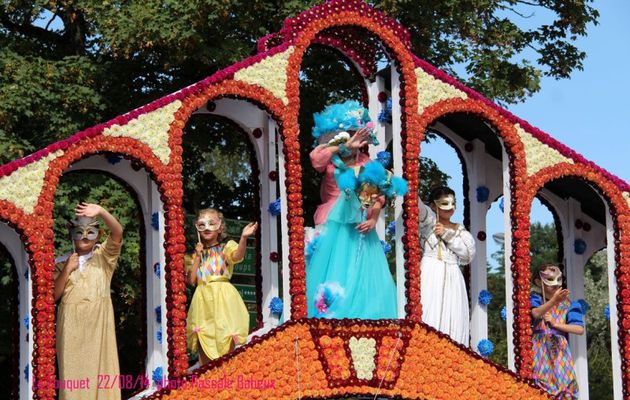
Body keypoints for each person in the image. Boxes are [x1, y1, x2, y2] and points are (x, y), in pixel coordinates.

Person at [305, 100, 407, 319]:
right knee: (328, 272)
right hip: (330, 222)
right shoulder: (332, 158)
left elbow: (379, 195)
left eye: (358, 134)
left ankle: (358, 321)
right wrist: (344, 147)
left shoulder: (368, 163)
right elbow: (315, 158)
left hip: (358, 225)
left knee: (358, 272)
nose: (354, 138)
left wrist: (374, 219)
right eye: (349, 133)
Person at [54, 202, 124, 400]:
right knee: (72, 379)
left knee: (102, 374)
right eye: (79, 231)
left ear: (98, 234)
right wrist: (67, 269)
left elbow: (118, 232)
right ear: (71, 234)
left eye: (90, 231)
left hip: (99, 325)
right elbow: (52, 297)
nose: (84, 236)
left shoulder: (104, 257)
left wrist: (101, 211)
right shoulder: (60, 263)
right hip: (71, 328)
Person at [186, 208, 257, 364]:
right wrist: (198, 256)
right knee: (203, 338)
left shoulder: (226, 247)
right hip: (203, 301)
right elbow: (191, 280)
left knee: (226, 339)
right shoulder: (195, 254)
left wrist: (243, 238)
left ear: (220, 227)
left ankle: (226, 382)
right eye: (202, 224)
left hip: (223, 299)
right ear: (197, 227)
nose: (207, 228)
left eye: (211, 223)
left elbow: (237, 256)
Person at [419, 187, 475, 345]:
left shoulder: (460, 230)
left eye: (453, 203)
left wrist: (446, 234)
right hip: (431, 271)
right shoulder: (429, 221)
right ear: (433, 206)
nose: (450, 207)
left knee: (453, 316)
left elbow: (468, 254)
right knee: (430, 310)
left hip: (453, 275)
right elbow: (417, 205)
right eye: (444, 203)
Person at [531, 263, 584, 399]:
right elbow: (536, 313)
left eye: (558, 279)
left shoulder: (569, 304)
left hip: (560, 351)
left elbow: (579, 329)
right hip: (540, 349)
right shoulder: (536, 299)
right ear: (538, 281)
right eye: (550, 280)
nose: (555, 284)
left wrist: (556, 324)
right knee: (541, 384)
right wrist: (553, 301)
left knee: (564, 384)